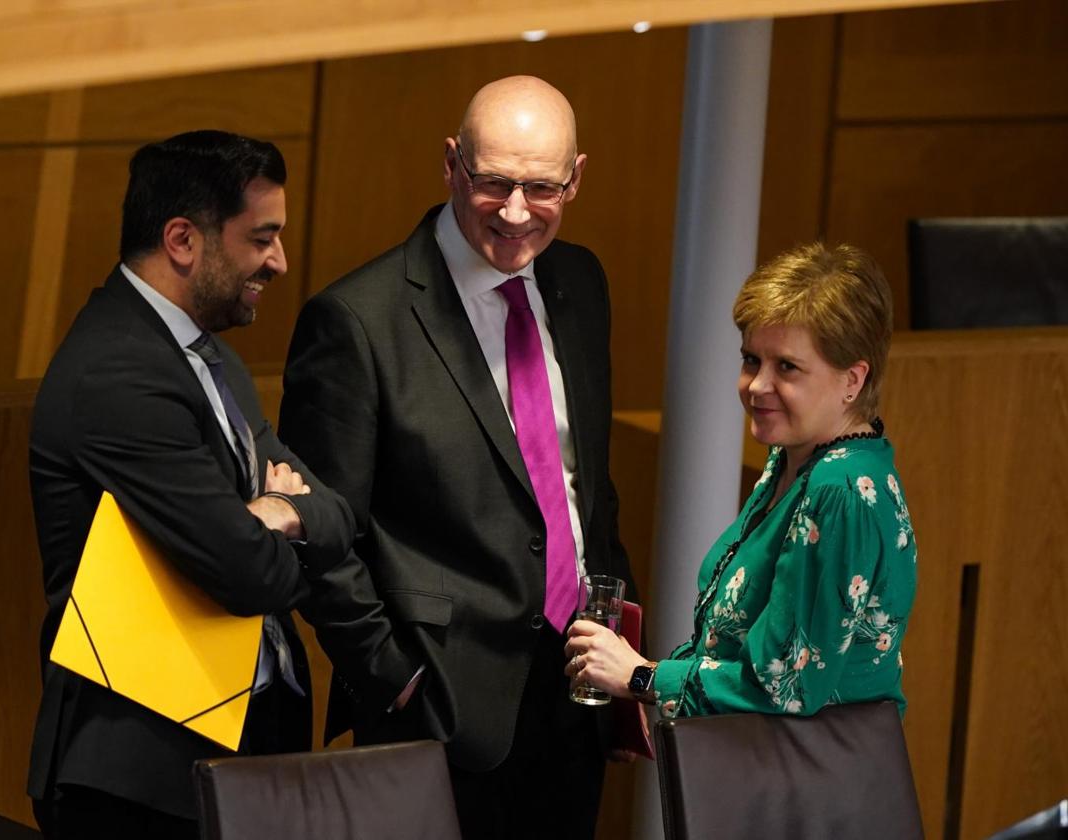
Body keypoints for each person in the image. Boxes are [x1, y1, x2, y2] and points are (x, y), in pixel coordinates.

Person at [278, 76, 635, 839]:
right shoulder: (355, 321)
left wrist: (620, 640)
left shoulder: (582, 281)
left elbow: (587, 488)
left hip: (576, 694)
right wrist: (398, 682)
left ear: (576, 178)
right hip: (434, 709)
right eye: (494, 182)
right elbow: (321, 537)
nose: (515, 212)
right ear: (451, 165)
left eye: (540, 188)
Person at [27, 130, 355, 839]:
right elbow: (248, 573)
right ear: (182, 239)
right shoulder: (119, 372)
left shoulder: (211, 358)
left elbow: (331, 513)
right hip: (141, 780)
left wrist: (281, 513)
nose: (279, 261)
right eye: (261, 237)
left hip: (235, 753)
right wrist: (268, 516)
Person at [565, 243, 916, 721]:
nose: (756, 386)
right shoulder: (794, 458)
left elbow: (785, 685)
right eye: (751, 360)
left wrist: (643, 676)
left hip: (801, 788)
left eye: (786, 367)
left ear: (852, 379)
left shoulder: (841, 488)